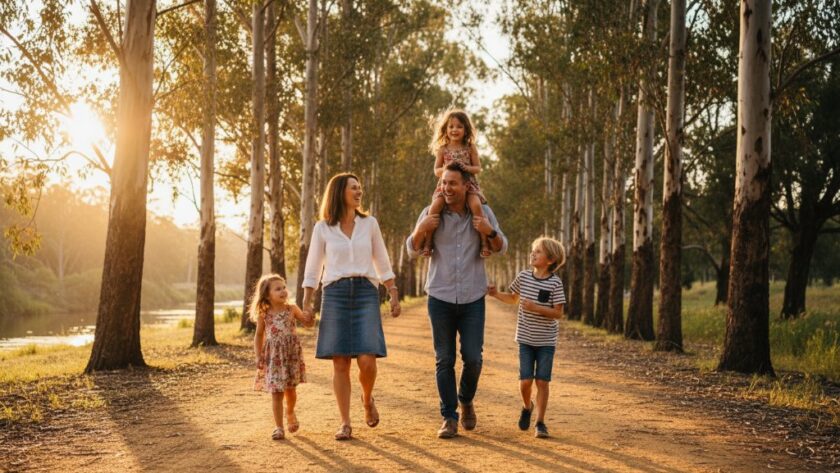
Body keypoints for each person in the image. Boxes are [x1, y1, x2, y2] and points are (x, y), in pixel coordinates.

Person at [406, 163, 508, 439]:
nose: (447, 188)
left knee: (473, 358)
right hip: (439, 296)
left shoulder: (482, 212)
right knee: (444, 359)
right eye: (444, 183)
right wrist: (421, 229)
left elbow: (502, 246)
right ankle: (449, 417)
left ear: (466, 186)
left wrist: (489, 230)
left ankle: (465, 399)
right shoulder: (431, 213)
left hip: (473, 297)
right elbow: (412, 250)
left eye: (453, 183)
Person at [302, 172, 401, 441]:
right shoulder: (323, 228)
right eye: (353, 188)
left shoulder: (369, 224)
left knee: (367, 360)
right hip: (334, 294)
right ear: (339, 193)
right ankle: (345, 422)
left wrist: (392, 291)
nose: (359, 192)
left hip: (366, 293)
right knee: (341, 362)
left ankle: (367, 399)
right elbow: (313, 266)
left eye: (360, 188)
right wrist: (307, 301)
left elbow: (381, 260)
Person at [487, 237, 566, 439]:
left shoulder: (556, 283)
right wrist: (496, 294)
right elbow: (513, 298)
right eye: (533, 250)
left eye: (538, 252)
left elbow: (558, 313)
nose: (533, 254)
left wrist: (536, 308)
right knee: (525, 382)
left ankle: (540, 423)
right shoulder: (523, 277)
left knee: (542, 381)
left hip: (546, 341)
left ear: (550, 260)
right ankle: (526, 406)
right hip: (525, 338)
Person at [421, 108, 491, 258]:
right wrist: (447, 169)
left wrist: (466, 168)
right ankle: (428, 242)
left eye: (459, 126)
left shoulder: (470, 147)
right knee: (434, 207)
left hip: (468, 184)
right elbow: (436, 170)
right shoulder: (443, 149)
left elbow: (478, 168)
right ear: (445, 129)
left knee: (477, 206)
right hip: (446, 185)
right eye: (451, 126)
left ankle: (484, 242)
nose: (455, 130)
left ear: (466, 130)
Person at [252, 274, 314, 440]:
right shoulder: (264, 314)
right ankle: (279, 427)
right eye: (277, 289)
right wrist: (258, 356)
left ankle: (290, 411)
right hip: (273, 357)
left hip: (290, 355)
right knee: (276, 393)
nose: (283, 291)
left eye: (284, 287)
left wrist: (310, 316)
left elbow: (307, 323)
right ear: (267, 295)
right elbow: (258, 335)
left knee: (291, 390)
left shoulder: (291, 309)